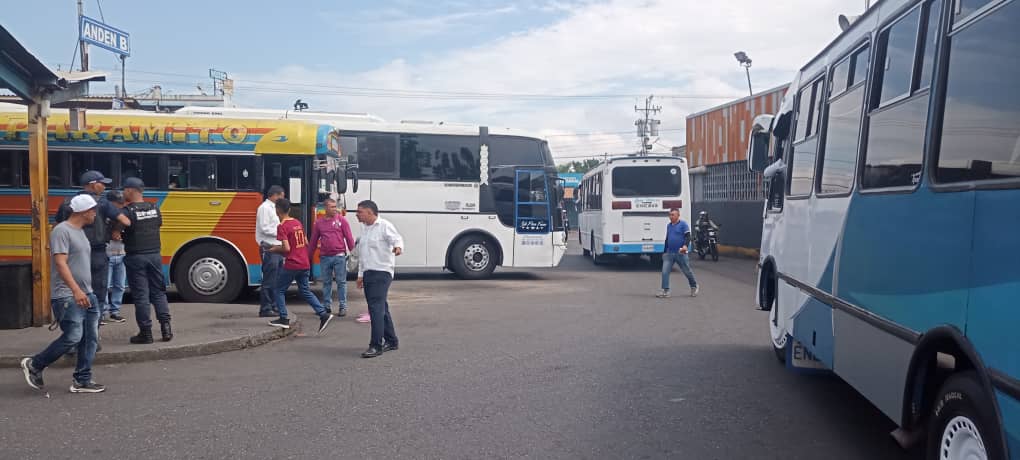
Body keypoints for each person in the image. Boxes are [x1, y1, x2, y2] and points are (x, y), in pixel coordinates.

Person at [20, 194, 106, 393]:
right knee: (74, 336)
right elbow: (60, 263)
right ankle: (35, 364)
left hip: (87, 293)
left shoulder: (81, 231)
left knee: (90, 339)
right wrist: (76, 290)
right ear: (84, 212)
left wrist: (85, 290)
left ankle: (83, 380)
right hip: (68, 295)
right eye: (93, 210)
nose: (95, 214)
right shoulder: (61, 231)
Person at [55, 170, 131, 328]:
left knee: (73, 292)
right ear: (92, 185)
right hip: (97, 254)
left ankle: (74, 332)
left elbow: (57, 224)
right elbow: (125, 220)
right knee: (97, 294)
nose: (104, 187)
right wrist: (115, 230)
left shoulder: (67, 202)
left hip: (73, 255)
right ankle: (93, 334)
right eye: (102, 183)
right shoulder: (102, 203)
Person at [267, 198, 334, 334]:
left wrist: (274, 249)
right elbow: (306, 242)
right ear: (289, 209)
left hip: (292, 263)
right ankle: (323, 313)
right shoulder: (297, 222)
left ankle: (283, 318)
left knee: (278, 290)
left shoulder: (282, 226)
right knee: (305, 290)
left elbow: (286, 248)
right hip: (304, 262)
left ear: (277, 210)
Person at [120, 178, 173, 344]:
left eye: (124, 189)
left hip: (136, 256)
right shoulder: (154, 208)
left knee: (141, 295)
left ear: (130, 190)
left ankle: (146, 333)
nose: (122, 193)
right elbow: (158, 225)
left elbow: (118, 231)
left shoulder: (128, 211)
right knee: (158, 292)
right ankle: (166, 329)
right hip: (155, 255)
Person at [355, 200, 404, 359]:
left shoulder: (384, 225)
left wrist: (398, 247)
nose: (357, 214)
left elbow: (396, 239)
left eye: (360, 211)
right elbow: (363, 255)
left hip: (382, 272)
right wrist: (360, 275)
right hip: (369, 272)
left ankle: (376, 345)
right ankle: (391, 340)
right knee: (381, 307)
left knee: (375, 308)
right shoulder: (365, 230)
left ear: (370, 212)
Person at [308, 198, 356, 317]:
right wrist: (308, 257)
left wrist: (355, 255)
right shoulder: (319, 223)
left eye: (336, 206)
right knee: (326, 283)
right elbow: (313, 241)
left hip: (339, 256)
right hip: (325, 257)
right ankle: (326, 306)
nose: (335, 209)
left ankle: (342, 306)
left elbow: (349, 239)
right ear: (325, 208)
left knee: (341, 282)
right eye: (332, 207)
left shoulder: (342, 221)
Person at [657, 208, 699, 298]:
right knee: (665, 272)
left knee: (687, 271)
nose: (671, 216)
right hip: (669, 253)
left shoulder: (683, 224)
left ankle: (694, 286)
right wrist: (664, 251)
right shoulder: (669, 226)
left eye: (673, 215)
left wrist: (685, 246)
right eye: (670, 215)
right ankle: (665, 290)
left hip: (680, 253)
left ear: (678, 215)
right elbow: (667, 239)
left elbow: (688, 237)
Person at [257, 186, 286, 318]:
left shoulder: (274, 208)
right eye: (281, 196)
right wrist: (281, 232)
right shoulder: (264, 208)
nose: (282, 199)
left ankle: (274, 306)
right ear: (274, 195)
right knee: (269, 279)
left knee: (277, 279)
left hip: (277, 247)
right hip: (269, 247)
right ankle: (266, 308)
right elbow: (264, 228)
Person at [103, 190, 128, 324]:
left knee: (120, 285)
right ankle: (103, 313)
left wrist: (120, 233)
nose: (120, 206)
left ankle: (115, 312)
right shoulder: (103, 216)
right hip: (107, 254)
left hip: (121, 253)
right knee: (105, 285)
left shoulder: (123, 215)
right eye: (117, 203)